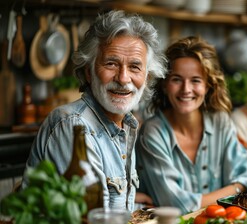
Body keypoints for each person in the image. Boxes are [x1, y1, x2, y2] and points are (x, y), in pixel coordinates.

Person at [21, 10, 167, 211]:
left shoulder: (127, 125)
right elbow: (94, 221)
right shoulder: (73, 125)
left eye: (134, 67)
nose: (123, 78)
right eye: (111, 63)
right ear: (89, 72)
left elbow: (114, 212)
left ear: (147, 78)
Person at [135, 36, 247, 214]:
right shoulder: (153, 132)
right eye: (176, 79)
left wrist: (240, 186)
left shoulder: (220, 122)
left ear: (208, 86)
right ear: (165, 84)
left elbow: (246, 178)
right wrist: (235, 190)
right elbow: (175, 204)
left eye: (196, 80)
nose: (186, 89)